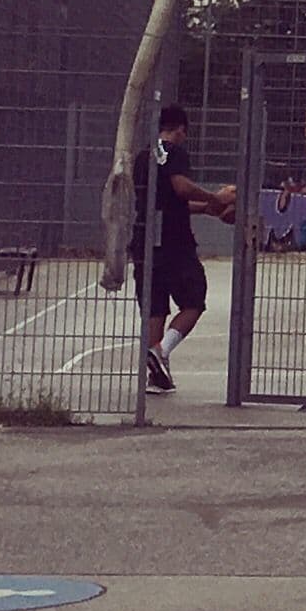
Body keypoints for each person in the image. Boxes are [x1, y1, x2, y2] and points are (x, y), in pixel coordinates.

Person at [135, 102, 235, 394]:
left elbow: (167, 200)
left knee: (155, 306)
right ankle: (161, 351)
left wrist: (204, 208)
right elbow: (180, 187)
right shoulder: (175, 152)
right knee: (194, 300)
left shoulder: (144, 156)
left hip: (145, 238)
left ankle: (156, 376)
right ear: (180, 129)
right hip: (174, 240)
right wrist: (215, 198)